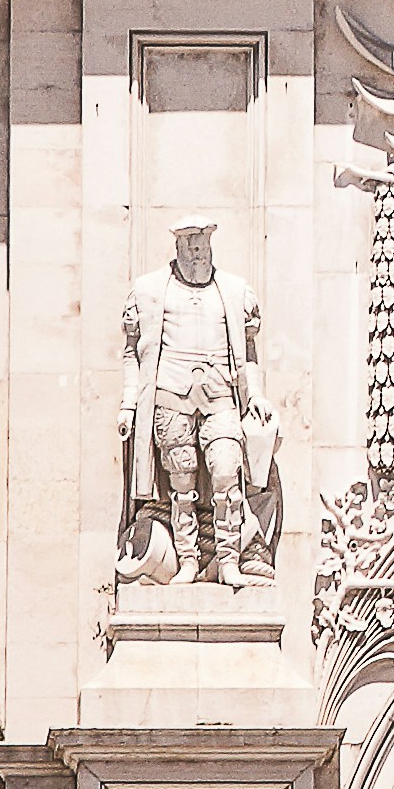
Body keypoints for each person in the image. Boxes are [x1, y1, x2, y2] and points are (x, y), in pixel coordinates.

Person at [121, 221, 276, 584]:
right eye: (190, 246)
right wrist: (129, 405)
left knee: (225, 473)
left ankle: (228, 560)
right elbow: (133, 354)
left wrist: (255, 394)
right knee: (181, 485)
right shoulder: (148, 290)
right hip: (170, 397)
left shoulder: (235, 291)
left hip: (220, 395)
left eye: (202, 246)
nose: (196, 253)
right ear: (177, 248)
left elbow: (248, 354)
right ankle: (188, 560)